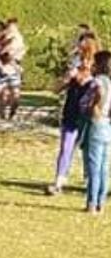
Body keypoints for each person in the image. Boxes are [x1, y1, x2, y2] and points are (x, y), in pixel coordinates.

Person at [46, 31, 99, 196]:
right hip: (71, 113)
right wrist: (67, 79)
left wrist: (86, 77)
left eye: (83, 52)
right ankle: (59, 181)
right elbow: (55, 89)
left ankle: (89, 181)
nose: (80, 57)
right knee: (66, 147)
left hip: (89, 116)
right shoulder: (74, 67)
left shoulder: (99, 70)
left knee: (89, 150)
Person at [81, 50, 111, 215]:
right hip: (107, 124)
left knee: (93, 165)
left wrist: (93, 106)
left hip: (96, 122)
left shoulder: (97, 82)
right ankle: (101, 202)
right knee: (104, 167)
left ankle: (91, 202)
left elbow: (86, 102)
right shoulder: (110, 82)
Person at [0, 18, 27, 121]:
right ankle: (2, 119)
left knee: (15, 97)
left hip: (13, 71)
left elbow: (20, 52)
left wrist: (16, 56)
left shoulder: (18, 38)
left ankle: (11, 117)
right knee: (3, 98)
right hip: (0, 71)